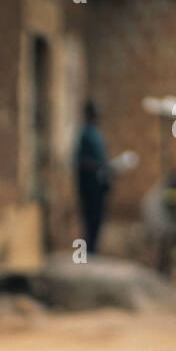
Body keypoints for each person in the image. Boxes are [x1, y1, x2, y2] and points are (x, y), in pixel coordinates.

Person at [74, 101, 111, 255]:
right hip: (89, 185)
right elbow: (80, 160)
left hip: (99, 185)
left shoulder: (97, 134)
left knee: (97, 219)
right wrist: (98, 166)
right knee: (89, 218)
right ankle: (89, 251)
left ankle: (93, 249)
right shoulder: (85, 135)